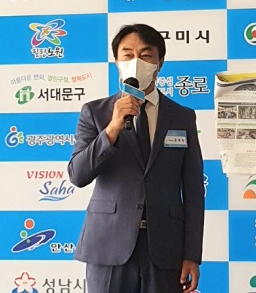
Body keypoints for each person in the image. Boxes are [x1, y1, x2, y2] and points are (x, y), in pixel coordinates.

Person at [68, 23, 204, 293]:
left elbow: (193, 191)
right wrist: (112, 129)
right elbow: (77, 175)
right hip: (108, 245)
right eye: (127, 55)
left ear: (159, 63)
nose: (136, 62)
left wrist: (192, 254)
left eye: (145, 55)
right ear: (117, 62)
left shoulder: (182, 117)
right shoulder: (95, 112)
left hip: (165, 248)